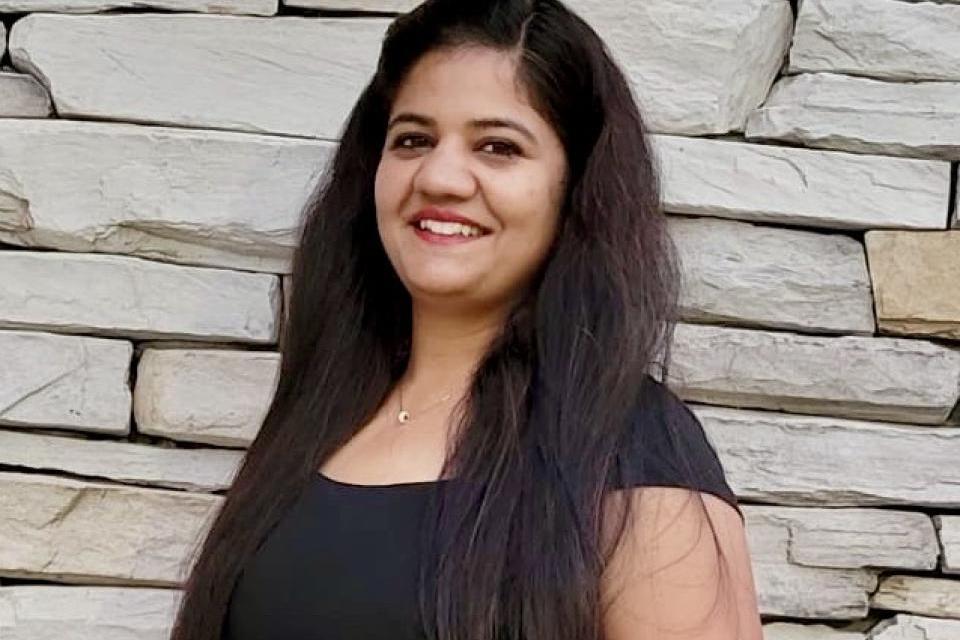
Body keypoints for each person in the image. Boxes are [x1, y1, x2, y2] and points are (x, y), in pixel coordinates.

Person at [171, 1, 762, 639]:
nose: (441, 176)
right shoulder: (320, 419)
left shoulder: (631, 450)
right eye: (413, 140)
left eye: (498, 147)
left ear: (574, 190)